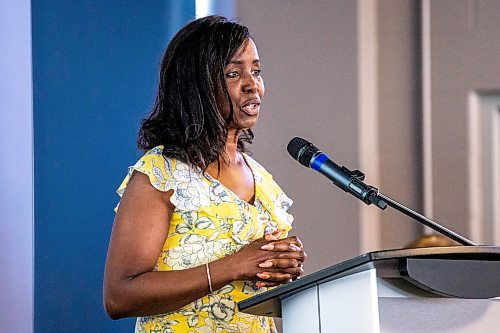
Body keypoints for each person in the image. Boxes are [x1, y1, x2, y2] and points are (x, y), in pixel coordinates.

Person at [103, 15, 306, 333]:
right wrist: (235, 265)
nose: (252, 84)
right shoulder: (161, 175)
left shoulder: (263, 181)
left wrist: (282, 266)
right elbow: (119, 296)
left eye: (256, 70)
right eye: (234, 73)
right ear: (197, 85)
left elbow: (254, 290)